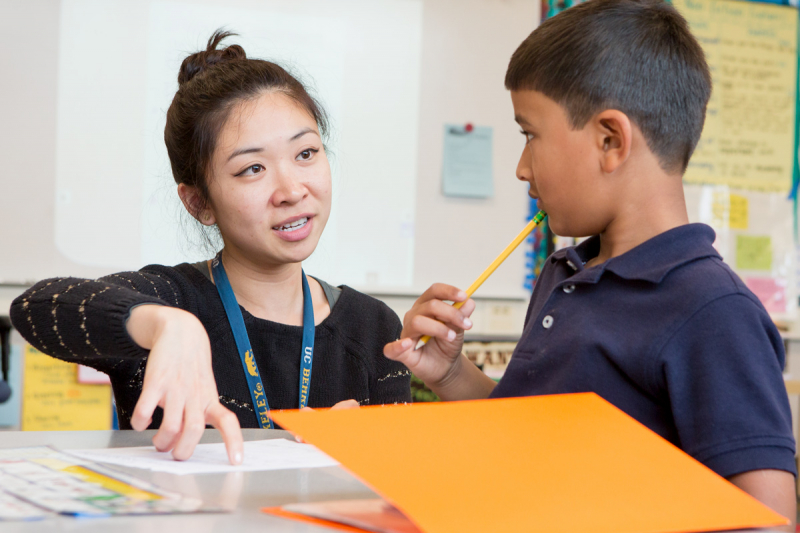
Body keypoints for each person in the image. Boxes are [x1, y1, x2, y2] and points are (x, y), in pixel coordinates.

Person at [384, 0, 797, 525]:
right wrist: (450, 374)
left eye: (529, 135)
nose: (520, 167)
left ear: (610, 140)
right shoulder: (566, 274)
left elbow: (769, 519)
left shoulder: (714, 312)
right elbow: (526, 437)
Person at [11, 31, 411, 465]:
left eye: (306, 152)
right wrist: (163, 326)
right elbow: (36, 306)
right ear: (199, 202)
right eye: (252, 168)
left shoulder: (374, 328)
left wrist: (361, 458)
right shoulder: (173, 298)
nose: (292, 190)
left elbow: (400, 487)